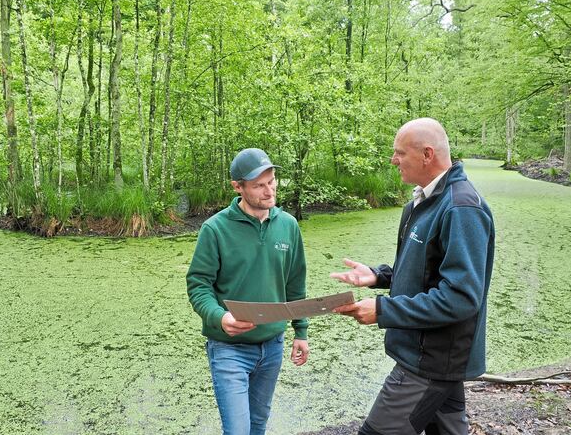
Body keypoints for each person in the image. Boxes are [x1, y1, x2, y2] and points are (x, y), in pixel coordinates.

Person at [331, 117, 495, 435]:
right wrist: (379, 276)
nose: (393, 160)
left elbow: (461, 298)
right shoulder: (420, 204)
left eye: (399, 153)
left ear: (427, 154)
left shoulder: (461, 209)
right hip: (433, 357)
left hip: (431, 360)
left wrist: (382, 310)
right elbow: (427, 272)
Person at [186, 148, 309, 435]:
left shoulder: (288, 226)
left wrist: (300, 332)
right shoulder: (215, 229)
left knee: (257, 426)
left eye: (272, 181)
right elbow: (198, 285)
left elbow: (295, 284)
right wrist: (220, 317)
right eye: (259, 185)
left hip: (273, 346)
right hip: (229, 349)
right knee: (238, 431)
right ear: (237, 187)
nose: (270, 191)